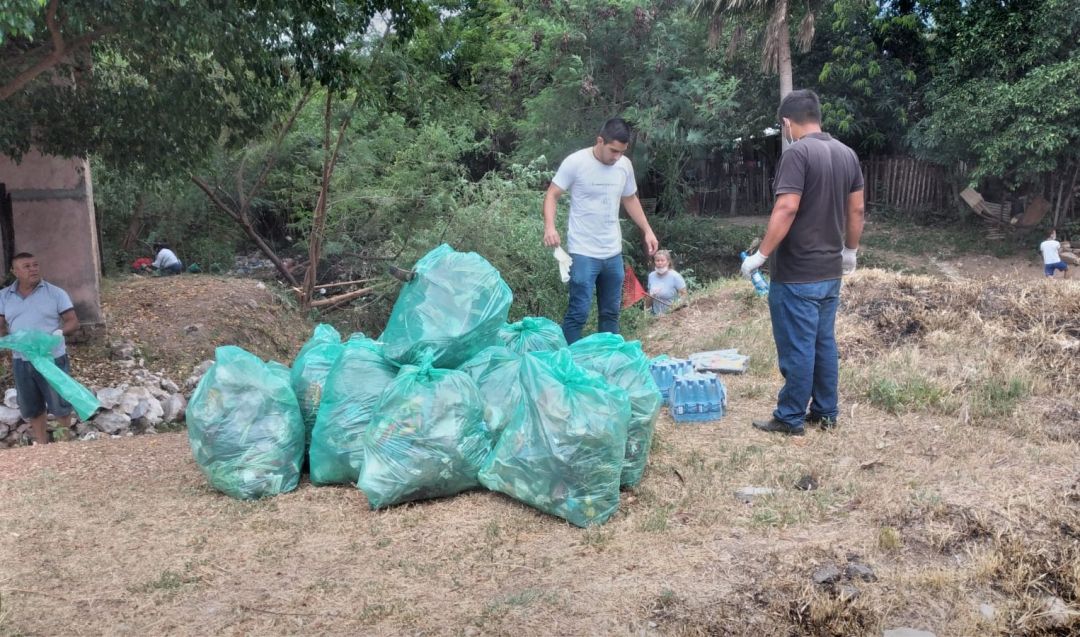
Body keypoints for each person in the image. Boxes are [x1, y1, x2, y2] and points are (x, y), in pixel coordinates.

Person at [740, 89, 865, 436]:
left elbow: (787, 207)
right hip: (830, 271)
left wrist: (761, 256)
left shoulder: (797, 154)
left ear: (787, 122)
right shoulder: (847, 154)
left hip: (797, 273)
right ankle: (825, 412)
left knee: (798, 346)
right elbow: (857, 209)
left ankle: (790, 416)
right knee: (823, 343)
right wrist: (850, 251)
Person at [542, 117, 659, 344]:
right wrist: (550, 226)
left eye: (621, 152)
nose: (617, 157)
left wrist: (647, 230)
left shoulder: (624, 165)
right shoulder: (576, 162)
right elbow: (552, 195)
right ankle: (569, 359)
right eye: (613, 151)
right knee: (578, 312)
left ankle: (608, 357)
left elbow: (630, 198)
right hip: (583, 251)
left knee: (611, 313)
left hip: (612, 252)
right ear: (600, 141)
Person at [0, 253, 79, 445]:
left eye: (35, 265)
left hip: (51, 358)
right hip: (21, 359)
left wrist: (59, 332)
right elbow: (1, 326)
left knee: (60, 403)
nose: (33, 269)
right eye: (26, 266)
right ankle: (42, 446)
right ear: (14, 271)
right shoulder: (4, 296)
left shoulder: (55, 293)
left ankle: (64, 444)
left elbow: (72, 321)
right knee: (32, 406)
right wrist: (6, 341)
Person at [647, 249, 687, 316]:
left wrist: (676, 306)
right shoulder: (651, 276)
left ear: (668, 262)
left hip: (672, 315)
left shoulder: (675, 276)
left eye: (662, 260)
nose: (660, 263)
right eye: (657, 260)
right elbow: (649, 295)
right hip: (655, 315)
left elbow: (684, 294)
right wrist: (647, 311)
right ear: (654, 262)